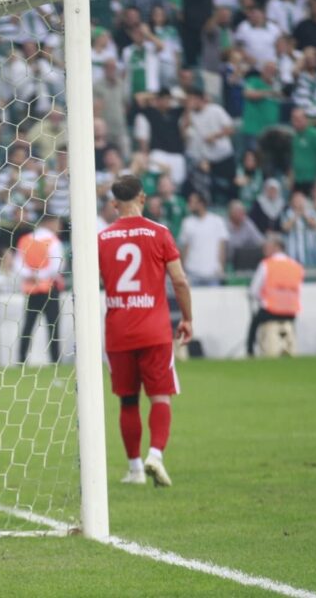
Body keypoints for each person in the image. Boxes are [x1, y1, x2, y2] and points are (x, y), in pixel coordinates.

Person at [99, 175, 192, 487]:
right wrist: (187, 318)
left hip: (118, 331)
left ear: (114, 203)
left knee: (128, 400)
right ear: (142, 198)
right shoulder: (160, 232)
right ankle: (155, 454)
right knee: (160, 397)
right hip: (154, 330)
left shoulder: (102, 238)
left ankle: (135, 468)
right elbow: (179, 280)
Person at [15, 214, 64, 364]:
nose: (59, 227)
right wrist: (41, 276)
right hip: (49, 288)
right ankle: (55, 360)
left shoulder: (25, 240)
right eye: (57, 223)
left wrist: (32, 275)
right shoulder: (53, 241)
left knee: (28, 326)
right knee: (53, 326)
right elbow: (57, 267)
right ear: (49, 223)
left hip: (31, 289)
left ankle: (21, 360)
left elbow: (18, 264)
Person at [246, 234, 304, 357]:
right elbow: (298, 289)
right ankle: (289, 345)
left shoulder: (266, 264)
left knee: (254, 323)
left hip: (271, 310)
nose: (264, 250)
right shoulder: (296, 265)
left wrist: (262, 298)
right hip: (291, 311)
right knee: (289, 326)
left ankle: (250, 351)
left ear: (277, 247)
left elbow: (254, 291)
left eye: (267, 247)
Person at [178, 193, 228, 286]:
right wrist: (183, 270)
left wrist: (221, 267)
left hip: (213, 272)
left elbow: (222, 247)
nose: (189, 205)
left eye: (192, 202)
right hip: (192, 272)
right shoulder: (187, 222)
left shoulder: (217, 221)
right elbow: (185, 248)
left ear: (201, 204)